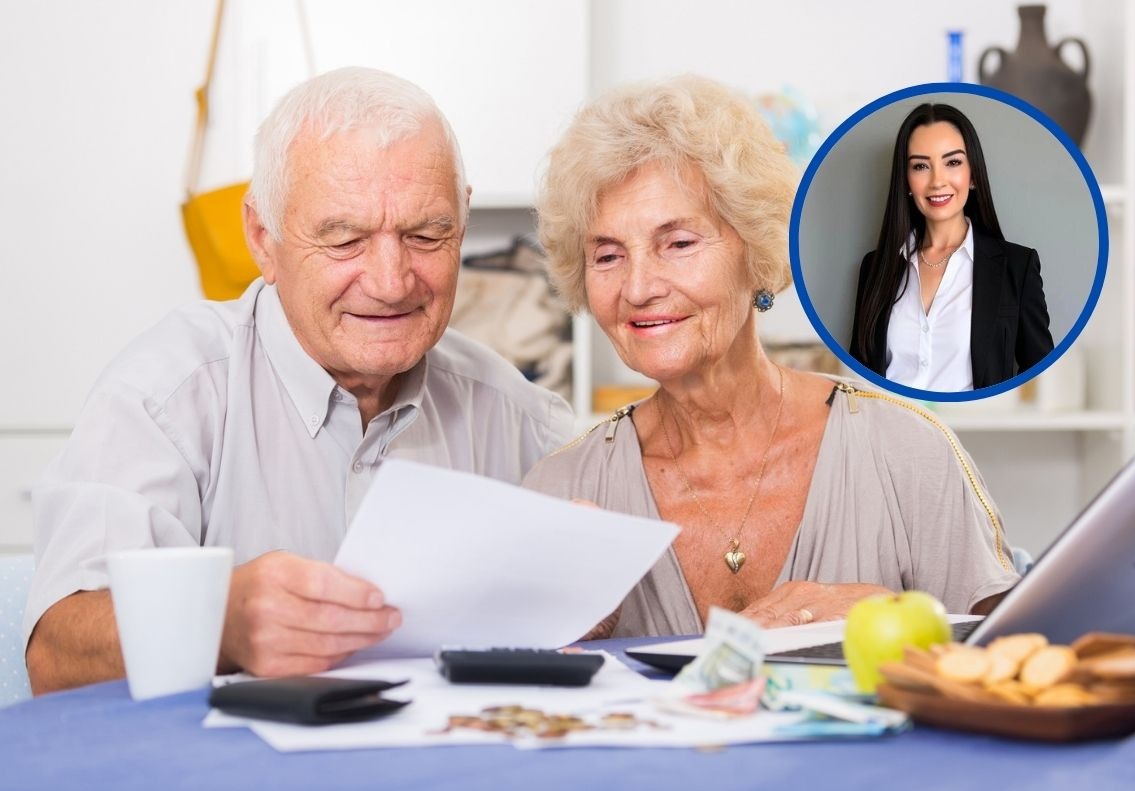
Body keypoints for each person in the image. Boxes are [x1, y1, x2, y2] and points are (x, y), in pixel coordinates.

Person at [24, 67, 573, 692]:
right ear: (263, 238)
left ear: (463, 221)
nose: (391, 282)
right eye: (345, 240)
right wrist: (219, 625)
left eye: (426, 235)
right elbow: (56, 656)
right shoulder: (166, 395)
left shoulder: (521, 416)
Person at [524, 76, 1019, 638]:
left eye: (679, 243)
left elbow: (1019, 662)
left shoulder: (906, 454)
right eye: (608, 255)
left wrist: (897, 613)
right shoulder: (561, 489)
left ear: (757, 250)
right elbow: (519, 708)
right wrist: (556, 643)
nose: (638, 288)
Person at [849, 102, 1053, 391]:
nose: (937, 181)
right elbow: (856, 380)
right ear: (906, 182)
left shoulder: (1017, 268)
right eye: (921, 166)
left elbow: (1042, 379)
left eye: (952, 162)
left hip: (972, 431)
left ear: (973, 175)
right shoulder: (876, 268)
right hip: (886, 429)